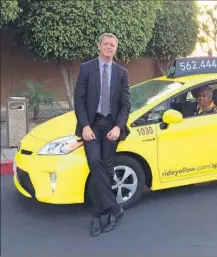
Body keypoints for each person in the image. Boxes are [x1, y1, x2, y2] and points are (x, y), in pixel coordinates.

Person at [74, 33, 131, 237]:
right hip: (92, 124)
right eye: (106, 44)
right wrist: (85, 125)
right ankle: (115, 209)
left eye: (113, 45)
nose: (109, 47)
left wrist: (118, 127)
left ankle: (98, 215)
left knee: (107, 168)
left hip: (111, 126)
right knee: (94, 161)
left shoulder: (122, 72)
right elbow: (79, 100)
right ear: (98, 46)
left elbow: (126, 104)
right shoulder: (86, 68)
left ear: (116, 48)